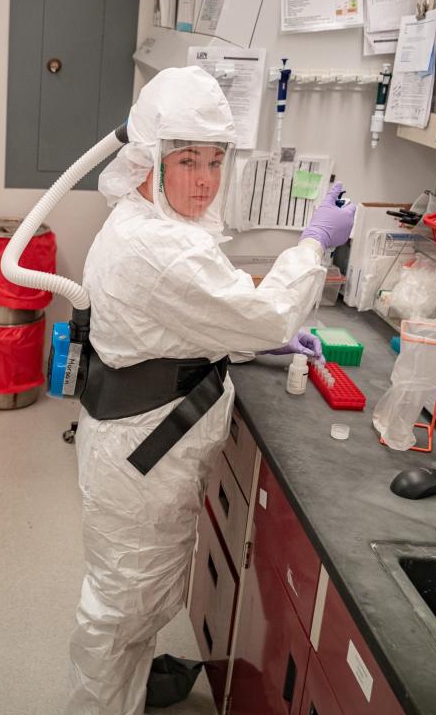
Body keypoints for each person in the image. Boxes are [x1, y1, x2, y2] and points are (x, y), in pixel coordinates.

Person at [65, 66, 354, 715]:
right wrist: (314, 246)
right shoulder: (158, 244)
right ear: (147, 161)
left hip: (140, 447)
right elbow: (264, 312)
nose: (203, 179)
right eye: (187, 160)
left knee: (135, 599)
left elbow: (200, 315)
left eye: (214, 161)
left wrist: (252, 335)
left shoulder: (149, 225)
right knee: (119, 608)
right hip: (142, 456)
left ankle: (128, 687)